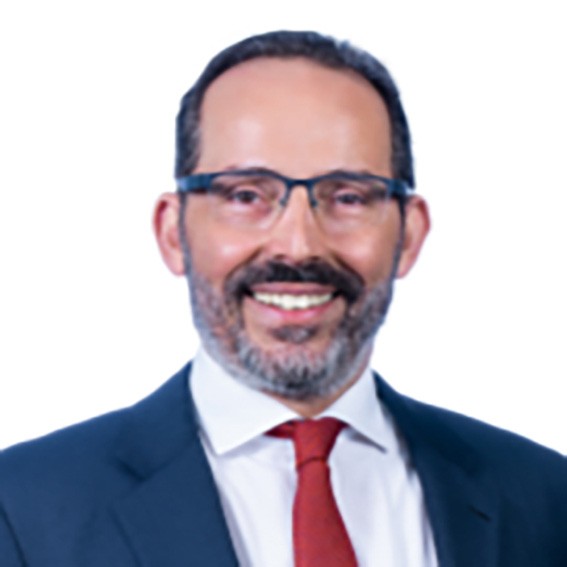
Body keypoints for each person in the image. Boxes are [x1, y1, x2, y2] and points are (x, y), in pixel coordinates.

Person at [0, 30, 565, 567]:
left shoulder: (546, 499)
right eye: (246, 195)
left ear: (410, 235)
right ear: (174, 233)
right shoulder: (23, 508)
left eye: (348, 196)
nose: (298, 245)